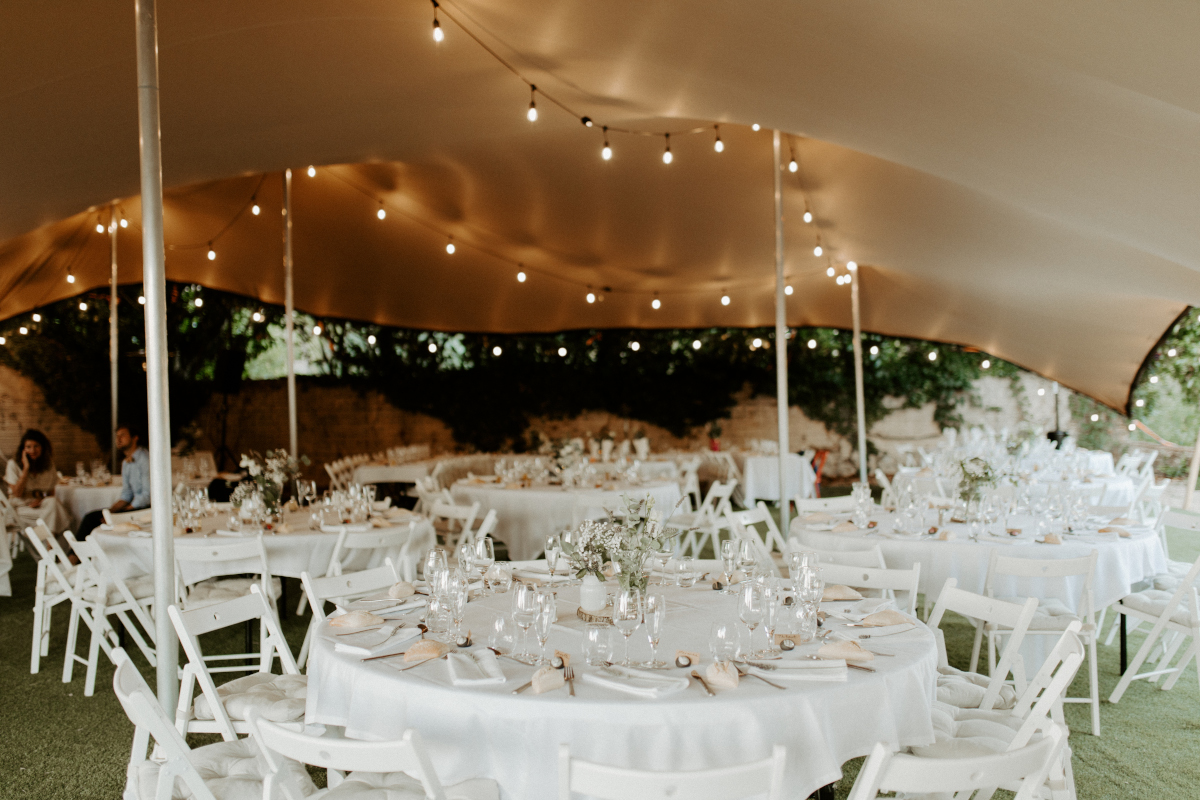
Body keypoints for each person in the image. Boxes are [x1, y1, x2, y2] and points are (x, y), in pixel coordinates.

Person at [76, 423, 151, 540]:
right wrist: (110, 512)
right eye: (117, 436)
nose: (118, 439)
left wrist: (122, 513)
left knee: (93, 522)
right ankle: (78, 556)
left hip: (146, 509)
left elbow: (147, 495)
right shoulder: (126, 463)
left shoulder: (145, 459)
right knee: (91, 518)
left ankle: (78, 557)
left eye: (123, 435)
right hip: (134, 507)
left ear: (135, 438)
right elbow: (126, 494)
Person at [4, 429, 71, 535]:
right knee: (61, 516)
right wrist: (26, 469)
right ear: (23, 449)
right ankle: (48, 544)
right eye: (28, 447)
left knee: (53, 504)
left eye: (36, 446)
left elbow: (50, 494)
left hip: (40, 507)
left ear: (43, 447)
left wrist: (40, 499)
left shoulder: (48, 466)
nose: (33, 450)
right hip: (20, 508)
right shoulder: (13, 465)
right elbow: (17, 493)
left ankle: (44, 541)